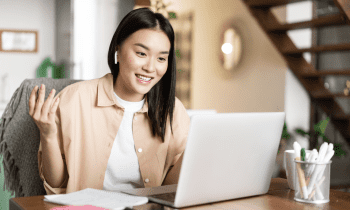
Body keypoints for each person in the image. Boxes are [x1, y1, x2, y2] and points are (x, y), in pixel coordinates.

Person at [28, 8, 190, 195]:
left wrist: (193, 155)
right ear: (118, 50)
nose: (150, 68)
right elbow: (55, 183)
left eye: (161, 58)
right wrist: (47, 135)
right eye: (141, 54)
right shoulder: (73, 100)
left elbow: (168, 191)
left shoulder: (173, 111)